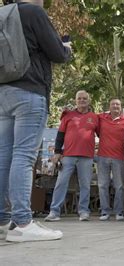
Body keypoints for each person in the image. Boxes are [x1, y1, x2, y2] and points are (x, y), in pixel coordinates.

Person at [0, 0, 71, 242]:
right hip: (30, 92)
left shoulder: (3, 13)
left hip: (3, 92)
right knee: (23, 156)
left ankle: (2, 220)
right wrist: (67, 47)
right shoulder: (33, 11)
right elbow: (58, 53)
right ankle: (22, 222)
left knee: (4, 157)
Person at [45, 91, 99, 222]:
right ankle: (54, 211)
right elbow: (60, 135)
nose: (82, 100)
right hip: (68, 155)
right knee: (61, 183)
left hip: (86, 156)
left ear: (89, 100)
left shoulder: (95, 117)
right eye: (79, 98)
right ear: (75, 101)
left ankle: (84, 211)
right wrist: (57, 152)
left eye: (84, 98)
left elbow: (102, 135)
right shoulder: (68, 115)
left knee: (85, 184)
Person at [97, 99, 124, 221]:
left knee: (119, 186)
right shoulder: (101, 117)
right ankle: (104, 211)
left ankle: (119, 212)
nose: (115, 106)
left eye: (118, 104)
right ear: (109, 106)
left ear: (121, 107)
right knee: (102, 185)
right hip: (102, 156)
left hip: (119, 157)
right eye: (113, 104)